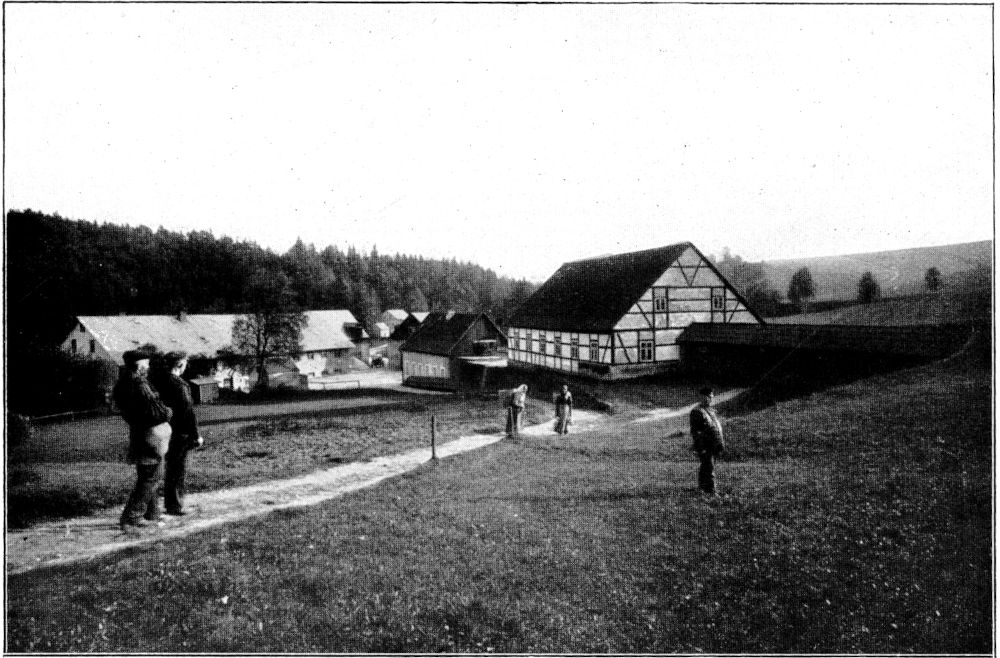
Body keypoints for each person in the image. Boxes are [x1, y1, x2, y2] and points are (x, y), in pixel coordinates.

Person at [114, 348, 172, 529]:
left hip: (138, 433)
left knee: (148, 474)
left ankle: (152, 513)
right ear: (138, 365)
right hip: (150, 434)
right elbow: (158, 411)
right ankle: (132, 516)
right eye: (146, 363)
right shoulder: (140, 384)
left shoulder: (122, 384)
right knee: (151, 476)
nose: (148, 366)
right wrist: (168, 412)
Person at [154, 351, 204, 517]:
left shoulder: (158, 381)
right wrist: (196, 434)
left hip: (162, 430)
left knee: (166, 468)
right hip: (180, 431)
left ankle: (164, 505)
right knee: (177, 469)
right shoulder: (179, 385)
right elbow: (187, 411)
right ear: (180, 365)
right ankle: (175, 505)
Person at [689, 385, 725, 496]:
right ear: (702, 397)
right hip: (705, 445)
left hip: (714, 444)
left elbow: (715, 427)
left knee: (707, 466)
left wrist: (720, 442)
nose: (710, 399)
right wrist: (701, 447)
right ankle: (712, 492)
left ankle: (702, 489)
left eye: (711, 397)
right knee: (709, 467)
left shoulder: (711, 411)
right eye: (708, 397)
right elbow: (695, 432)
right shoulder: (697, 411)